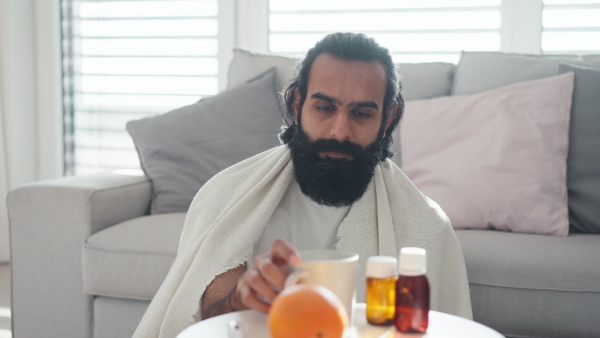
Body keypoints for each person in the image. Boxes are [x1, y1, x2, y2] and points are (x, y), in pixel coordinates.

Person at [133, 32, 471, 338]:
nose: (340, 131)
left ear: (389, 119)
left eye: (362, 114)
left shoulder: (426, 225)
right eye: (324, 107)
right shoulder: (228, 195)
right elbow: (208, 313)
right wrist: (240, 299)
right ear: (297, 105)